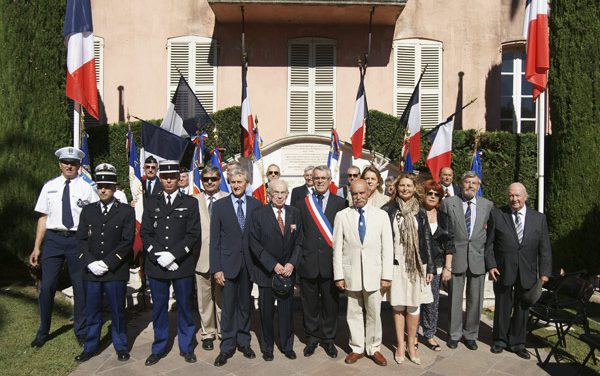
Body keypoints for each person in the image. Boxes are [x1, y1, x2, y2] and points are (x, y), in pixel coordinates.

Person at [29, 146, 99, 348]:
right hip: (53, 240)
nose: (69, 166)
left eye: (73, 163)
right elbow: (43, 218)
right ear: (60, 164)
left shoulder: (88, 187)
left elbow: (93, 220)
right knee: (48, 287)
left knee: (80, 288)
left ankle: (81, 330)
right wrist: (37, 247)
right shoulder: (49, 186)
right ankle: (43, 331)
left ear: (78, 165)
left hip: (77, 241)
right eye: (66, 162)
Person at [141, 160, 200, 366]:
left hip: (181, 265)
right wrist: (160, 256)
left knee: (184, 306)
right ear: (160, 178)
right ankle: (158, 347)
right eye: (165, 177)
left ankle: (186, 347)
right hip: (157, 265)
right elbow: (146, 233)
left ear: (178, 178)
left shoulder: (190, 203)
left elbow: (193, 235)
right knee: (158, 307)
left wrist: (174, 256)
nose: (168, 180)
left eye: (172, 176)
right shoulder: (151, 201)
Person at [74, 163, 135, 363]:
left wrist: (108, 263)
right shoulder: (88, 211)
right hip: (91, 271)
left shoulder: (125, 211)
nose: (103, 189)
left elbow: (127, 241)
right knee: (92, 310)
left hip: (114, 271)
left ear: (115, 188)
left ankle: (121, 346)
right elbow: (81, 240)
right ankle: (90, 346)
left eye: (107, 186)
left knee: (117, 311)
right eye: (100, 185)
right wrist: (90, 262)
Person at [485, 183, 552, 359]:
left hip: (527, 271)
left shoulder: (539, 218)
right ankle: (499, 340)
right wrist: (491, 265)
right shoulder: (497, 214)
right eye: (511, 196)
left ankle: (517, 343)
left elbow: (545, 248)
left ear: (525, 196)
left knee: (522, 308)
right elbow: (489, 244)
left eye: (517, 196)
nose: (514, 199)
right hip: (502, 270)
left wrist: (544, 273)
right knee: (502, 307)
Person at [333, 179, 393, 366]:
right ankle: (357, 347)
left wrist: (387, 275)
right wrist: (339, 275)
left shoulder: (381, 215)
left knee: (374, 313)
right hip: (351, 274)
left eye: (361, 193)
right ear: (350, 194)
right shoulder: (342, 216)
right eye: (354, 193)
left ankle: (374, 348)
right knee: (353, 313)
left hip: (375, 274)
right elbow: (337, 248)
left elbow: (387, 248)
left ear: (368, 193)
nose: (358, 197)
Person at [210, 167, 262, 367]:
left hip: (248, 265)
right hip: (227, 266)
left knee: (245, 306)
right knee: (228, 307)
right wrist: (217, 268)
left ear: (246, 184)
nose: (237, 185)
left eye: (240, 182)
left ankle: (244, 341)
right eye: (233, 182)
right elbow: (214, 240)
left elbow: (258, 238)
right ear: (229, 183)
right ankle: (227, 346)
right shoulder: (221, 206)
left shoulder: (256, 205)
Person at [381, 174, 435, 365]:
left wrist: (431, 267)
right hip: (395, 265)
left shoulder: (420, 210)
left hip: (417, 265)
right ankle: (400, 344)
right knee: (397, 305)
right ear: (396, 187)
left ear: (415, 188)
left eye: (409, 185)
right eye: (402, 185)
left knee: (413, 305)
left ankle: (412, 345)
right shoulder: (387, 210)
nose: (405, 189)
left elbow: (427, 238)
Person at [296, 165, 346, 358]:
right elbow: (299, 235)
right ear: (312, 180)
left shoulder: (340, 202)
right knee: (309, 305)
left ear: (330, 179)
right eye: (316, 178)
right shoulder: (302, 203)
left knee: (330, 305)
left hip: (331, 264)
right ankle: (311, 338)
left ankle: (329, 339)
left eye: (323, 178)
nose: (320, 181)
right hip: (308, 263)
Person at [249, 179, 302, 361]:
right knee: (266, 313)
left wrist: (291, 264)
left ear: (287, 194)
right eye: (276, 193)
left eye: (283, 193)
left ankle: (287, 346)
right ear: (269, 195)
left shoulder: (295, 213)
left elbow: (299, 242)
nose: (280, 196)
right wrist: (272, 264)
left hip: (287, 273)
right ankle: (267, 348)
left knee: (287, 313)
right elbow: (254, 244)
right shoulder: (259, 214)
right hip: (267, 274)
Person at [440, 171, 493, 350]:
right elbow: (444, 233)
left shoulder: (487, 205)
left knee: (475, 299)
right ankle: (454, 334)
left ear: (478, 186)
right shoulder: (448, 203)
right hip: (456, 257)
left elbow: (491, 234)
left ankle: (471, 334)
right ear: (460, 184)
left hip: (478, 258)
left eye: (474, 183)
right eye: (467, 182)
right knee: (454, 299)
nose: (470, 186)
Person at [194, 164, 228, 351]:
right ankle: (208, 332)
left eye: (213, 179)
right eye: (206, 179)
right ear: (202, 181)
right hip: (201, 258)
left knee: (222, 298)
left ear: (219, 180)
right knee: (204, 299)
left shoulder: (228, 199)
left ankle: (224, 331)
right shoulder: (194, 200)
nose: (209, 182)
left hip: (223, 259)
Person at [419, 179, 454, 352]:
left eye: (436, 194)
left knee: (432, 301)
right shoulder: (416, 213)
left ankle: (429, 334)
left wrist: (448, 267)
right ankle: (412, 335)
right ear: (423, 195)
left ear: (440, 198)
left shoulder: (444, 217)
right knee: (414, 301)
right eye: (429, 193)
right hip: (418, 264)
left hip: (438, 266)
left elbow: (450, 244)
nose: (432, 196)